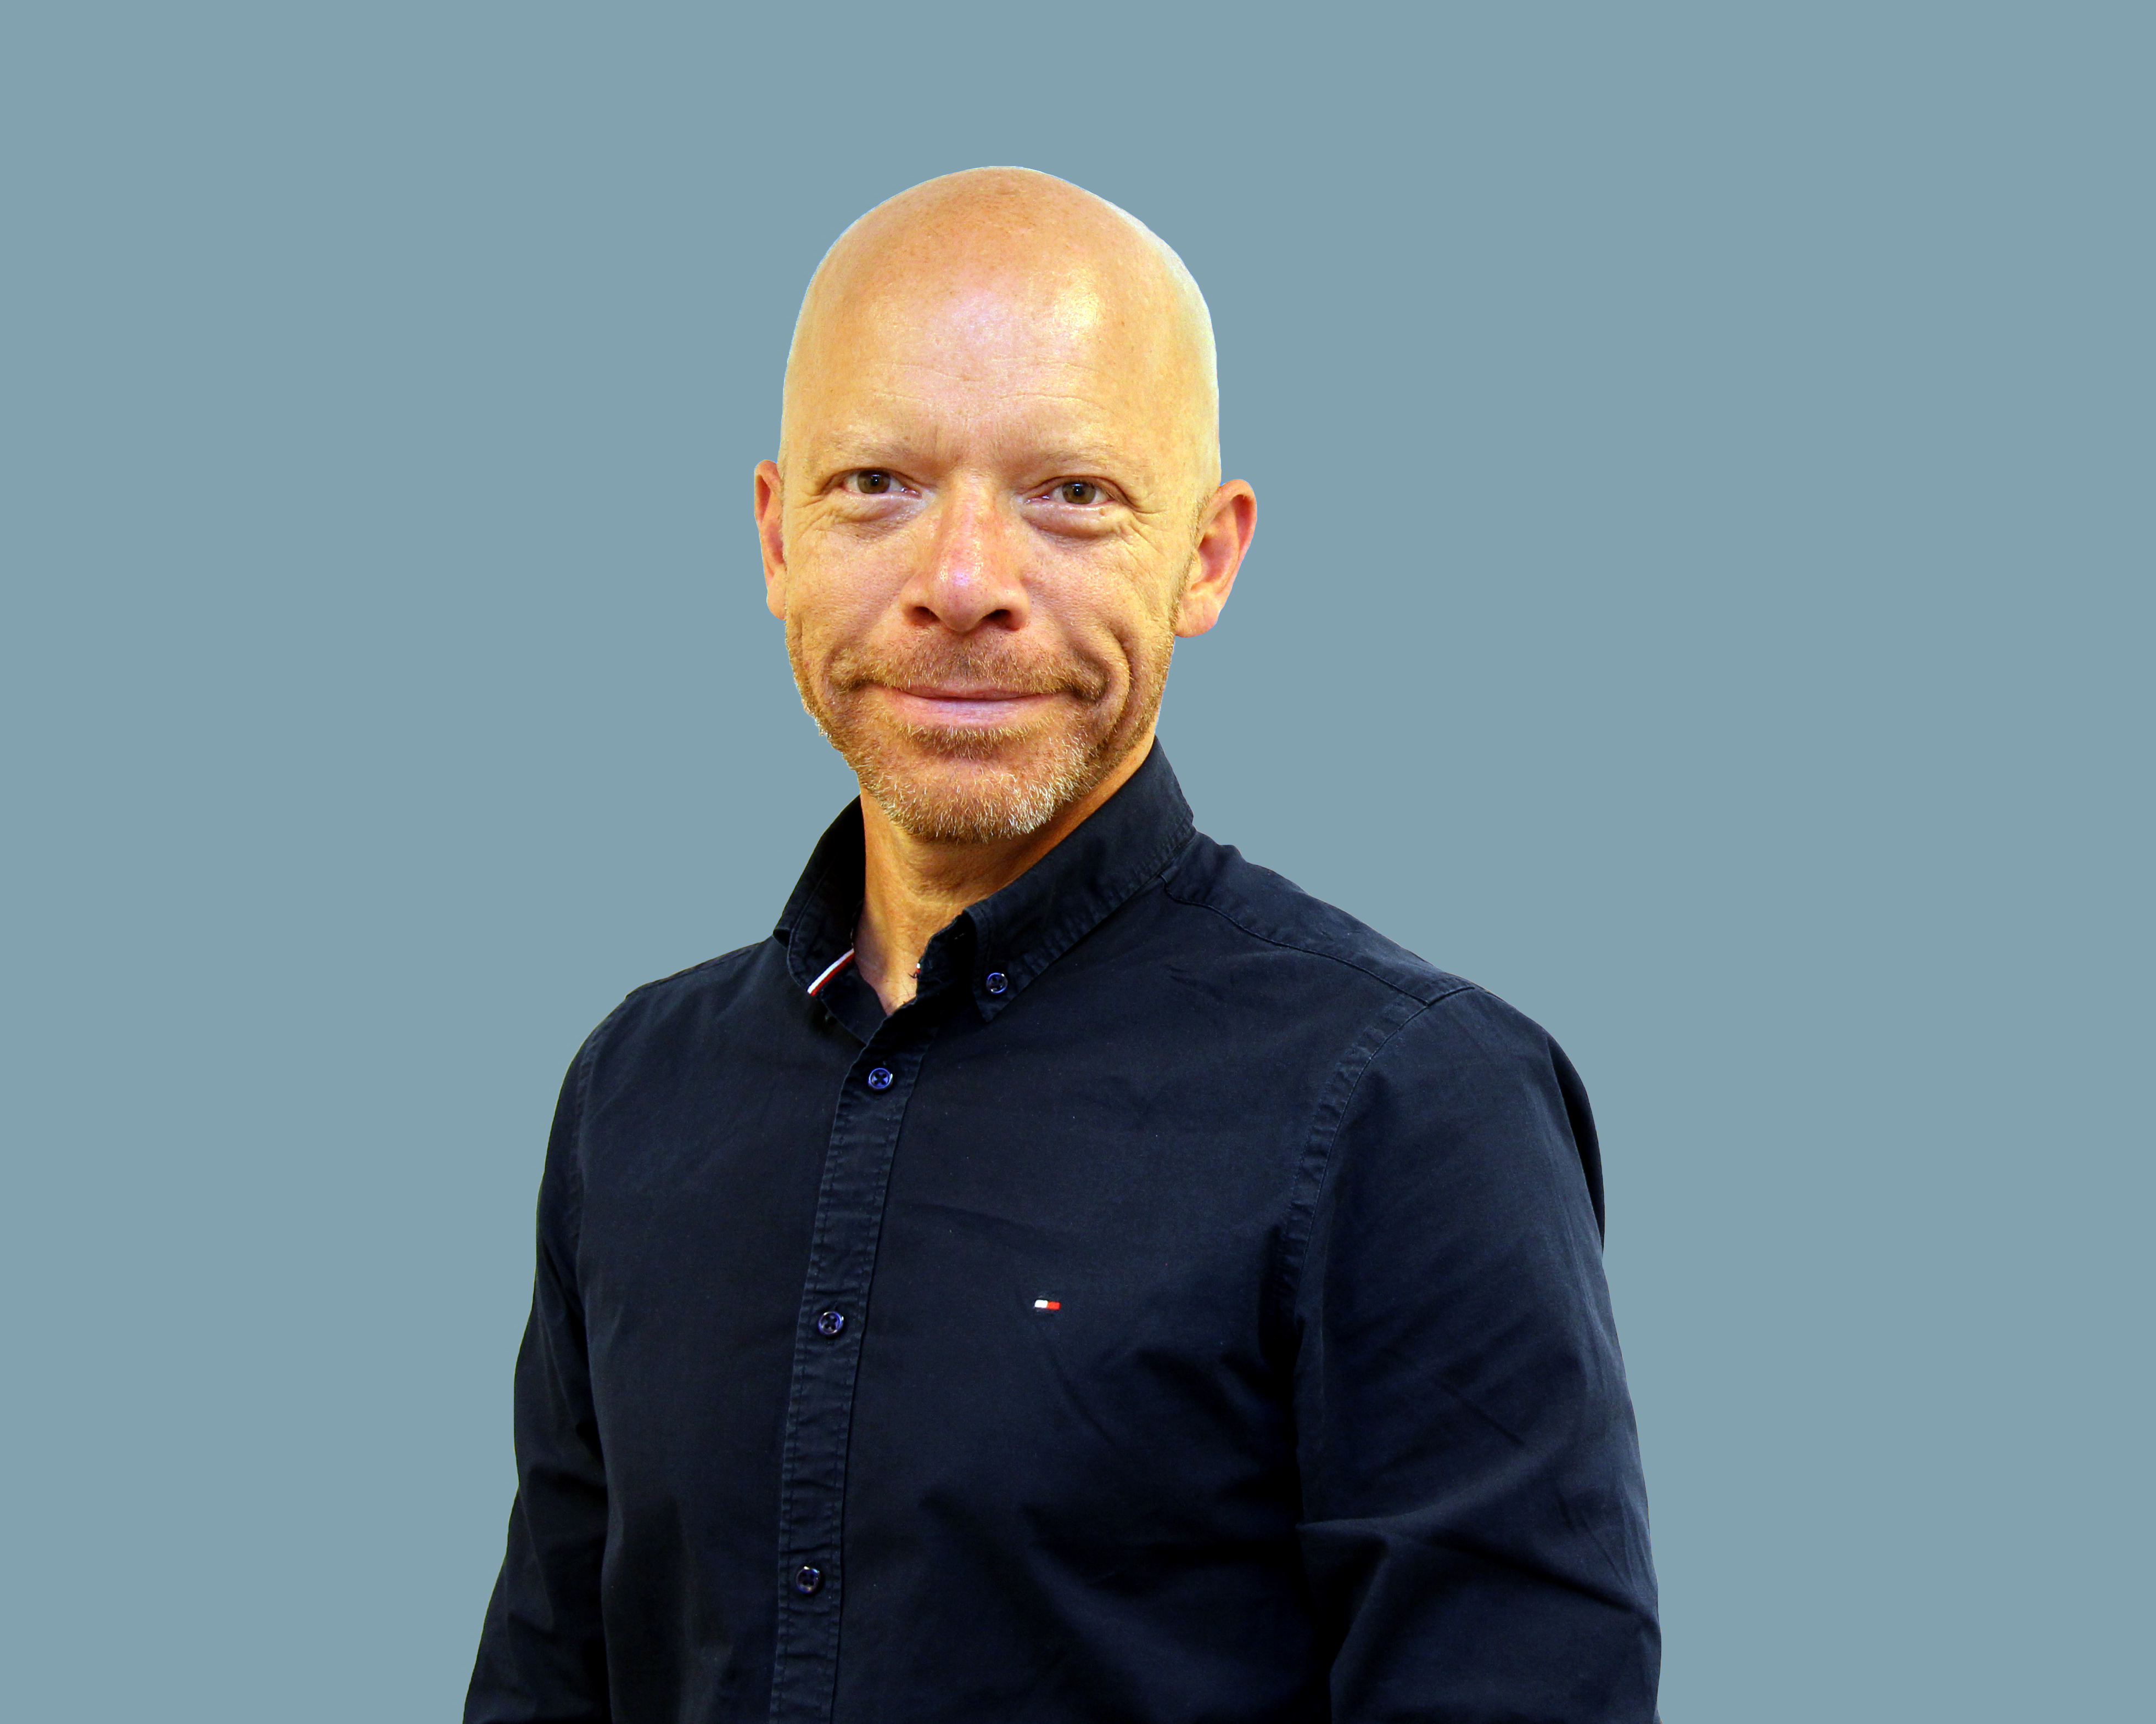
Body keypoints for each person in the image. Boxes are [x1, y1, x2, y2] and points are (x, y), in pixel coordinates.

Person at [466, 167, 1659, 1724]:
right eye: (877, 484)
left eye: (1072, 494)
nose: (964, 585)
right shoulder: (636, 1093)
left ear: (1207, 557)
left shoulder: (1415, 1105)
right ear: (775, 536)